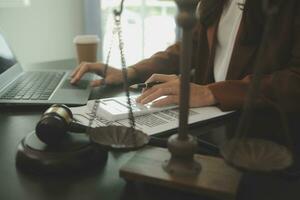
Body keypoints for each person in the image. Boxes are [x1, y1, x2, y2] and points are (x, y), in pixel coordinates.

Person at [71, 0, 300, 113]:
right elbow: (192, 45)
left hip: (261, 135)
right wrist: (131, 72)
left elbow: (295, 79)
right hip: (211, 121)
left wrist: (211, 92)